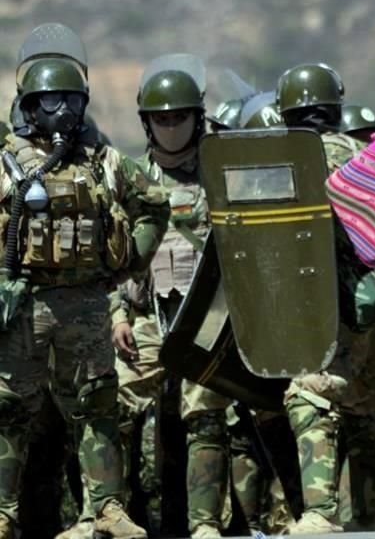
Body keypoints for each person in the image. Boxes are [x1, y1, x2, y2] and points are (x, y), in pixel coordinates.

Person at [0, 30, 169, 538]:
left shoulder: (102, 159)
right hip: (22, 305)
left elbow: (154, 203)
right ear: (30, 104)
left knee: (97, 408)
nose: (64, 111)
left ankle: (107, 510)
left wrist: (130, 261)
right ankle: (5, 514)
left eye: (74, 101)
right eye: (53, 101)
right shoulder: (6, 159)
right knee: (8, 411)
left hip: (86, 304)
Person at [108, 60, 236, 538]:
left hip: (207, 317)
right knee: (112, 405)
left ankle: (204, 525)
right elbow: (116, 258)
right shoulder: (129, 177)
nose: (170, 126)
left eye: (179, 117)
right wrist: (118, 313)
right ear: (146, 123)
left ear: (196, 118)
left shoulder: (218, 175)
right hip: (145, 318)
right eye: (160, 119)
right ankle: (107, 514)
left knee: (205, 413)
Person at [275, 63, 375, 534]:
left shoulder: (293, 160)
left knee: (310, 395)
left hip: (325, 301)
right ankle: (368, 516)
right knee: (363, 403)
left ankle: (321, 513)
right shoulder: (368, 153)